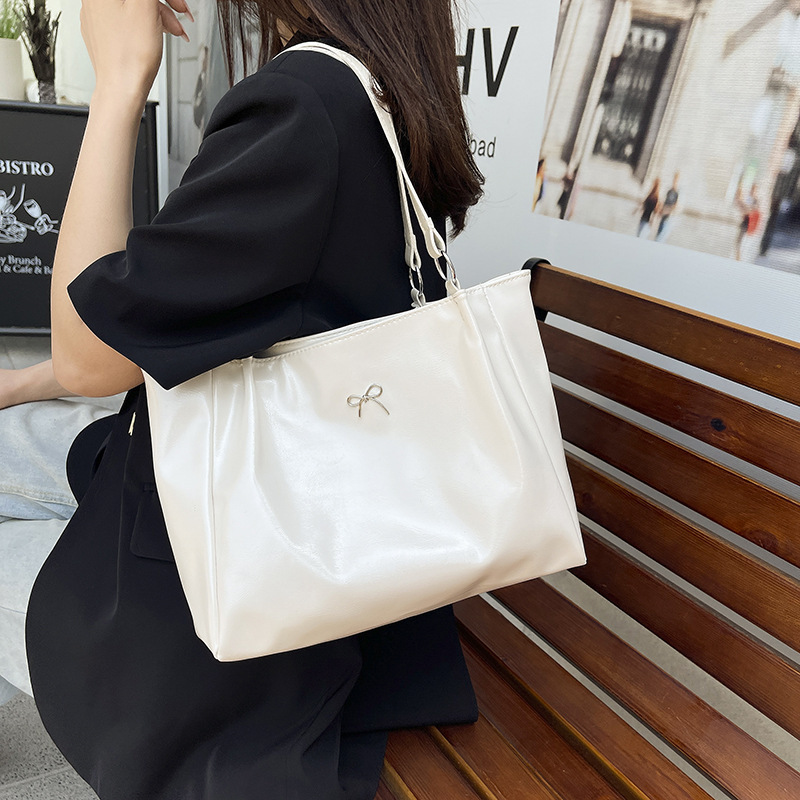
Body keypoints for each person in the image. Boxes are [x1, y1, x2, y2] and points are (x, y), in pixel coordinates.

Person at [24, 1, 484, 799]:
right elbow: (182, 318)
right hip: (308, 514)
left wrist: (119, 83)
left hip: (217, 606)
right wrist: (22, 384)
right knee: (28, 436)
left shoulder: (304, 105)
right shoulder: (381, 97)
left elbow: (87, 356)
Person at [655, 172, 680, 242]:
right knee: (659, 230)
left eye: (676, 180)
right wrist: (661, 210)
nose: (674, 182)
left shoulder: (676, 193)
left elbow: (675, 206)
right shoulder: (669, 191)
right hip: (663, 213)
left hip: (668, 215)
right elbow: (664, 201)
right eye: (674, 179)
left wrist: (668, 211)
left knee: (663, 231)